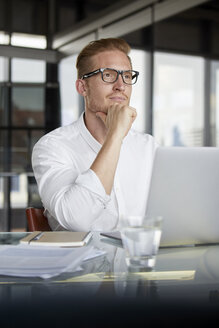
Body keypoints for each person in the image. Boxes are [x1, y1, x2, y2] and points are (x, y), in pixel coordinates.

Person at [32, 38, 158, 231]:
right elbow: (77, 219)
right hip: (80, 260)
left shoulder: (148, 146)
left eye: (127, 76)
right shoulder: (52, 146)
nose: (120, 85)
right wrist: (115, 136)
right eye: (108, 75)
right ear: (83, 87)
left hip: (139, 259)